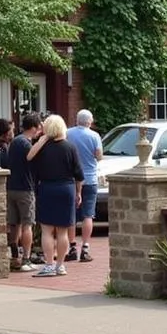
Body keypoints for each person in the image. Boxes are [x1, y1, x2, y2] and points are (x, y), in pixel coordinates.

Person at [26, 113, 83, 278]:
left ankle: (49, 265)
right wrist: (78, 192)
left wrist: (42, 140)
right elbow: (78, 174)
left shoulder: (42, 148)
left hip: (47, 189)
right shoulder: (70, 147)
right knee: (63, 231)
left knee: (47, 230)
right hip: (66, 188)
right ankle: (61, 265)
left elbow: (29, 157)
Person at [65, 109, 102, 263]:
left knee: (71, 214)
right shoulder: (94, 136)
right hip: (90, 178)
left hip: (71, 179)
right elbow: (99, 156)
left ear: (77, 119)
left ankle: (72, 247)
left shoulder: (68, 133)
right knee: (88, 215)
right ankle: (85, 247)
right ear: (90, 121)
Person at [6, 112, 41, 270]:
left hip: (11, 187)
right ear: (34, 128)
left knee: (14, 224)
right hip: (25, 189)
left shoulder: (14, 141)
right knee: (27, 225)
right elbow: (33, 160)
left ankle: (14, 256)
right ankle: (26, 259)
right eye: (39, 127)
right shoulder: (27, 144)